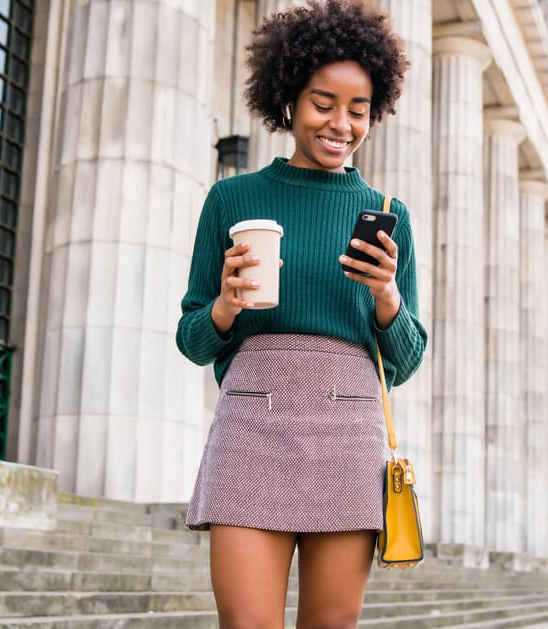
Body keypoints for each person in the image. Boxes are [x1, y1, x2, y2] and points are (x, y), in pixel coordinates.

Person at [175, 1, 427, 627]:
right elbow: (192, 337)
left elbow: (408, 356)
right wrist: (228, 305)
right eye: (323, 103)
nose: (341, 123)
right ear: (288, 98)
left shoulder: (388, 212)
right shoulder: (232, 198)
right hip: (251, 421)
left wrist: (387, 296)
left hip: (348, 426)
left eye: (358, 109)